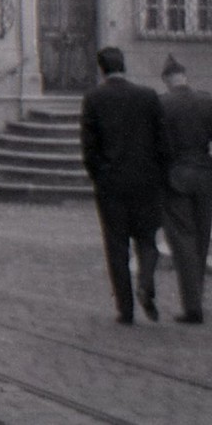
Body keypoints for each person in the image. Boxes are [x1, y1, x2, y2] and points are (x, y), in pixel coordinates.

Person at [80, 46, 168, 325]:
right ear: (124, 66)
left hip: (111, 184)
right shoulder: (148, 96)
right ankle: (145, 281)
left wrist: (99, 176)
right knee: (148, 240)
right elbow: (163, 142)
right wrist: (158, 176)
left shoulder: (94, 98)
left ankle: (125, 309)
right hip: (146, 182)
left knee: (116, 245)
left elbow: (89, 147)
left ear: (101, 69)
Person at [158, 54, 212, 325]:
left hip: (175, 178)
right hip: (204, 176)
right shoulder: (206, 100)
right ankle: (196, 297)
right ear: (185, 76)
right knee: (202, 240)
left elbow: (155, 147)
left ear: (167, 79)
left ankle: (192, 307)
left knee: (183, 242)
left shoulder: (161, 103)